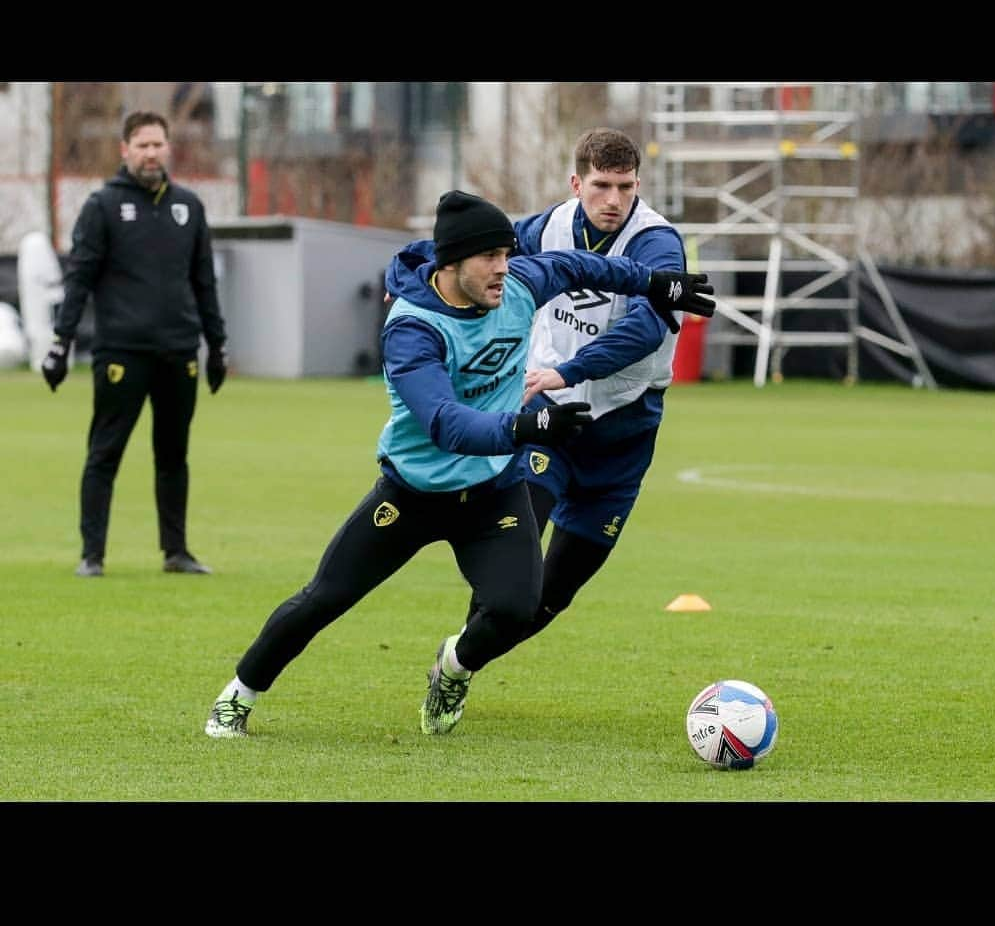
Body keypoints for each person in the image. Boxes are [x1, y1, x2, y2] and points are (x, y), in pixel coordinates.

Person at [203, 189, 713, 738]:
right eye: (489, 258)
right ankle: (239, 694)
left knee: (519, 608)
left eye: (507, 254)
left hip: (494, 493)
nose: (503, 268)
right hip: (413, 495)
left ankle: (453, 668)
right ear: (451, 264)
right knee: (324, 598)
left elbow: (573, 266)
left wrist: (659, 284)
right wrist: (527, 426)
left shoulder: (516, 283)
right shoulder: (412, 328)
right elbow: (445, 423)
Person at [448, 127, 691, 713]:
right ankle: (453, 678)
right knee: (515, 565)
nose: (613, 200)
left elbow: (646, 328)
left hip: (623, 438)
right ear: (576, 183)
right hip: (548, 422)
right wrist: (403, 273)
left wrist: (568, 369)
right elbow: (465, 252)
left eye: (625, 187)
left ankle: (458, 659)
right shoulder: (541, 229)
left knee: (551, 597)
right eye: (601, 186)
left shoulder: (657, 243)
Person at [41, 111, 228, 578]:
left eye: (157, 144)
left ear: (169, 148)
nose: (150, 153)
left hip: (178, 351)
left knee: (172, 455)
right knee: (105, 452)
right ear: (125, 150)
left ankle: (176, 552)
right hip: (121, 353)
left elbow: (204, 282)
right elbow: (79, 278)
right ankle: (92, 555)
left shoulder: (189, 207)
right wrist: (60, 343)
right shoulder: (102, 205)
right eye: (141, 145)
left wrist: (217, 346)